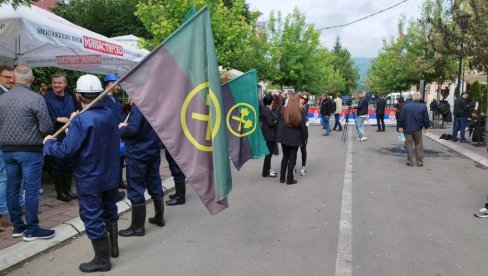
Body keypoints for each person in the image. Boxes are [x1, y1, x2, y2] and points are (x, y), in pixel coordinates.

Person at [43, 74, 120, 272]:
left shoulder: (82, 120)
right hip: (110, 175)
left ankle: (102, 261)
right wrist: (75, 124)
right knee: (110, 210)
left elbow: (65, 150)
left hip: (90, 177)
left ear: (77, 95)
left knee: (93, 216)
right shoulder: (109, 114)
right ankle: (113, 249)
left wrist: (49, 143)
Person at [0, 65, 55, 241]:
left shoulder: (2, 99)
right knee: (31, 190)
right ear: (31, 80)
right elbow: (46, 127)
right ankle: (32, 229)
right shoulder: (36, 99)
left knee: (12, 187)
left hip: (7, 151)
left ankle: (17, 226)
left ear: (14, 79)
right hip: (30, 150)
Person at [118, 105, 165, 237]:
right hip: (153, 150)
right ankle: (159, 217)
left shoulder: (139, 107)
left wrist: (122, 128)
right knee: (154, 182)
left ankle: (138, 227)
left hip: (138, 153)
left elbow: (132, 130)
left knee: (136, 188)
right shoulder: (155, 104)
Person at [43, 73, 77, 202]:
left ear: (65, 83)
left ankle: (68, 190)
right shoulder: (46, 98)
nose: (57, 85)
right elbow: (41, 117)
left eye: (59, 82)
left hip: (70, 135)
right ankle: (60, 193)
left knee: (69, 163)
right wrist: (57, 118)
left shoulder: (70, 98)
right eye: (54, 83)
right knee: (58, 165)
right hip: (55, 135)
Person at [102, 74, 127, 201]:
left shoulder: (115, 99)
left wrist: (123, 123)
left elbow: (119, 114)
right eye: (117, 84)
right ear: (109, 84)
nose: (119, 86)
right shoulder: (102, 99)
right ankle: (113, 192)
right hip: (109, 136)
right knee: (112, 163)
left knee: (119, 160)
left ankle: (119, 181)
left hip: (118, 134)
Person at [276, 94, 308, 185]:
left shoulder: (284, 110)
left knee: (285, 157)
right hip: (295, 138)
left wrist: (279, 137)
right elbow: (303, 128)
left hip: (284, 138)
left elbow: (279, 125)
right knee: (292, 158)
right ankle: (289, 179)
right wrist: (305, 139)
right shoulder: (300, 112)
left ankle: (282, 178)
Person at [398, 92, 430, 167]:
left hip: (407, 128)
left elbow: (401, 118)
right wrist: (426, 127)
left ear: (412, 97)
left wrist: (400, 126)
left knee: (409, 145)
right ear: (419, 98)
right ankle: (419, 162)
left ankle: (410, 161)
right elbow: (426, 118)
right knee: (418, 145)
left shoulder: (405, 106)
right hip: (418, 129)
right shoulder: (423, 106)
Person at [0, 65, 15, 223]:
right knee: (3, 178)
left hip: (9, 143)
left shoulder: (9, 93)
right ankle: (3, 214)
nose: (11, 80)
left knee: (9, 178)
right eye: (6, 77)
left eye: (12, 77)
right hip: (2, 143)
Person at [260, 93, 279, 178]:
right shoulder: (266, 110)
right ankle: (266, 172)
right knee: (268, 154)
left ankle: (267, 170)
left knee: (269, 154)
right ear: (270, 101)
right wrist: (276, 122)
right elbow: (271, 123)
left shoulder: (267, 109)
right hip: (269, 134)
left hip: (270, 134)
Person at [298, 92, 310, 176]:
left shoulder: (306, 106)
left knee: (303, 149)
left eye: (305, 99)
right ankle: (293, 166)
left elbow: (304, 116)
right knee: (293, 151)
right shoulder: (294, 105)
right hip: (295, 130)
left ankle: (303, 166)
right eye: (302, 97)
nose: (303, 100)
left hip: (303, 129)